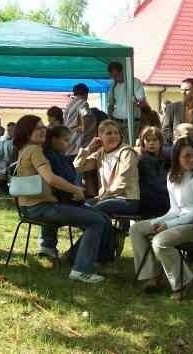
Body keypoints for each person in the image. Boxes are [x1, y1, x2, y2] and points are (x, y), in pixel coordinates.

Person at [13, 115, 107, 283]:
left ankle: (71, 256)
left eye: (43, 127)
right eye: (37, 128)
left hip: (29, 207)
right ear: (27, 132)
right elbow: (51, 178)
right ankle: (81, 269)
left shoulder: (24, 150)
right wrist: (75, 190)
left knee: (96, 218)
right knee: (97, 221)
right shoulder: (35, 151)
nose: (43, 130)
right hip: (42, 208)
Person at [130, 138, 193, 300]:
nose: (192, 159)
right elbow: (175, 210)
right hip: (180, 222)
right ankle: (153, 276)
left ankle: (184, 282)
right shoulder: (172, 176)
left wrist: (168, 224)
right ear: (177, 157)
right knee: (136, 229)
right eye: (187, 156)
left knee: (159, 241)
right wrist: (159, 221)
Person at [43, 125, 115, 263]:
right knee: (100, 220)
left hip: (70, 199)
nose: (68, 143)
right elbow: (62, 182)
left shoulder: (60, 157)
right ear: (53, 140)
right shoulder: (53, 158)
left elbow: (74, 170)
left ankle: (98, 258)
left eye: (69, 140)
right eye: (65, 140)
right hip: (64, 202)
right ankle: (93, 259)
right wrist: (76, 192)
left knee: (104, 218)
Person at [73, 119, 141, 253]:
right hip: (106, 198)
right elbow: (78, 166)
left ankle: (78, 254)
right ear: (100, 138)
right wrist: (88, 149)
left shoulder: (127, 152)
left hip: (127, 199)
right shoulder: (100, 153)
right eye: (109, 133)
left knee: (95, 211)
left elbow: (122, 181)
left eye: (116, 133)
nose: (114, 136)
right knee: (81, 209)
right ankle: (113, 235)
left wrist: (103, 196)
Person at [162, 78, 193, 146]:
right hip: (175, 149)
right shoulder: (172, 108)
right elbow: (165, 130)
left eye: (187, 90)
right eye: (181, 90)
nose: (183, 92)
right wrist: (176, 138)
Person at [106, 61, 146, 142]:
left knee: (129, 146)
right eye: (113, 76)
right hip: (116, 122)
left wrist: (136, 103)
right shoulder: (113, 85)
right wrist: (109, 118)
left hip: (131, 122)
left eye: (116, 75)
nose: (115, 78)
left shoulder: (134, 82)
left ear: (122, 72)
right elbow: (111, 104)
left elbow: (142, 103)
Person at [137, 126, 170, 218]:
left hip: (159, 196)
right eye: (148, 140)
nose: (151, 143)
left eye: (155, 140)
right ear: (143, 143)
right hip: (151, 200)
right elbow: (155, 183)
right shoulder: (144, 160)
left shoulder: (163, 158)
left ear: (160, 142)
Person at [63, 83, 96, 162]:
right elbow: (85, 115)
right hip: (77, 139)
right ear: (86, 94)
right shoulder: (83, 103)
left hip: (68, 137)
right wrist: (84, 129)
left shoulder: (69, 104)